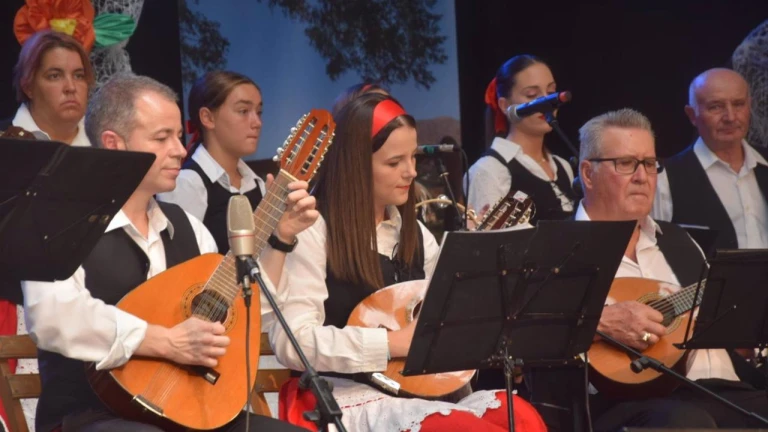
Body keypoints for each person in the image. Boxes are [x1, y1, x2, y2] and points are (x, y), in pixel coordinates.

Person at [21, 74, 317, 432]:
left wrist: (280, 239)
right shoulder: (59, 227)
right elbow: (54, 318)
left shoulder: (190, 228)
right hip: (89, 416)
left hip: (190, 410)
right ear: (114, 144)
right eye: (162, 138)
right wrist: (167, 342)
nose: (180, 150)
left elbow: (247, 312)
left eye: (178, 135)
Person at [268, 93, 546, 432]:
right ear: (355, 165)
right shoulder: (313, 231)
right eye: (394, 162)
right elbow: (291, 341)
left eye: (413, 157)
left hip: (416, 393)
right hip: (344, 397)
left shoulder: (416, 235)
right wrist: (391, 343)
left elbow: (440, 321)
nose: (411, 172)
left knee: (520, 415)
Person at [529, 108, 768, 431]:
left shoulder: (679, 241)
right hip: (619, 404)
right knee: (687, 422)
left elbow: (720, 323)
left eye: (650, 163)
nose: (642, 176)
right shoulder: (554, 248)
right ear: (588, 174)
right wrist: (598, 323)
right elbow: (521, 335)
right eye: (626, 163)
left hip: (724, 390)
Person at [652, 68, 768, 251]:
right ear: (692, 115)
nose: (730, 117)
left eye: (738, 104)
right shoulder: (665, 178)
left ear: (750, 106)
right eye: (716, 107)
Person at [157, 71, 270, 254]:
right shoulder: (186, 183)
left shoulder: (258, 184)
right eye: (243, 111)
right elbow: (182, 260)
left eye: (259, 112)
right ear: (208, 118)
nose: (257, 122)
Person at [465, 54, 576, 223]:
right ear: (505, 105)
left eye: (550, 92)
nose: (546, 103)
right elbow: (490, 237)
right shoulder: (489, 170)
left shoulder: (563, 166)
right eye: (532, 95)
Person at [7, 29, 93, 146]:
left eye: (79, 76)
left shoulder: (104, 141)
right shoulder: (5, 140)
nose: (71, 87)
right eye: (55, 76)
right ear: (28, 87)